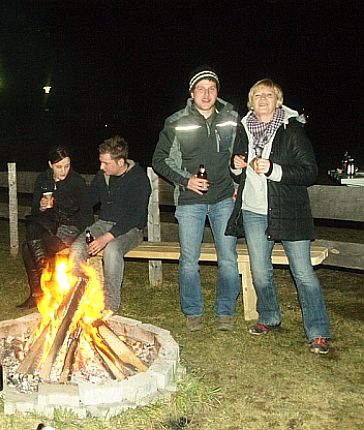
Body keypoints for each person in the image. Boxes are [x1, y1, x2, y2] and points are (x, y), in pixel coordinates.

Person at [226, 79, 331, 354]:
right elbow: (238, 171)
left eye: (268, 95)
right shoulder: (244, 128)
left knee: (303, 273)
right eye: (257, 95)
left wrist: (274, 169)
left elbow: (309, 171)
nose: (262, 99)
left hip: (289, 210)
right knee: (260, 271)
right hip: (253, 210)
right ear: (250, 102)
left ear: (278, 101)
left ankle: (318, 332)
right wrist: (236, 167)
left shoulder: (291, 130)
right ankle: (269, 316)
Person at [152, 66, 242, 331]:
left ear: (217, 92)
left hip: (224, 198)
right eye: (201, 89)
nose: (206, 94)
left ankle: (225, 311)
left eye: (211, 88)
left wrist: (238, 183)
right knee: (189, 260)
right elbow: (159, 160)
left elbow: (240, 154)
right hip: (191, 201)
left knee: (228, 258)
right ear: (192, 93)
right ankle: (193, 311)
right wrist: (186, 180)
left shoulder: (231, 118)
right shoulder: (177, 122)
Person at [69, 136, 151, 313]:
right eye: (101, 162)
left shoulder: (139, 179)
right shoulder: (103, 176)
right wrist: (67, 199)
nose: (101, 167)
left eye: (106, 163)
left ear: (120, 162)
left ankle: (110, 305)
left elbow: (134, 217)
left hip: (131, 229)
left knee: (112, 250)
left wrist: (106, 238)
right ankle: (77, 298)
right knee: (76, 248)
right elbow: (88, 199)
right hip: (103, 224)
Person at [17, 145, 93, 309]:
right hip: (49, 225)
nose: (63, 171)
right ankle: (42, 290)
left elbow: (87, 215)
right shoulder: (43, 180)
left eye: (67, 166)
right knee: (32, 230)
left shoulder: (77, 182)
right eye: (59, 167)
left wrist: (84, 238)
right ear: (50, 165)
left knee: (27, 247)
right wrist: (42, 206)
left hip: (71, 227)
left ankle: (41, 292)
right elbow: (35, 211)